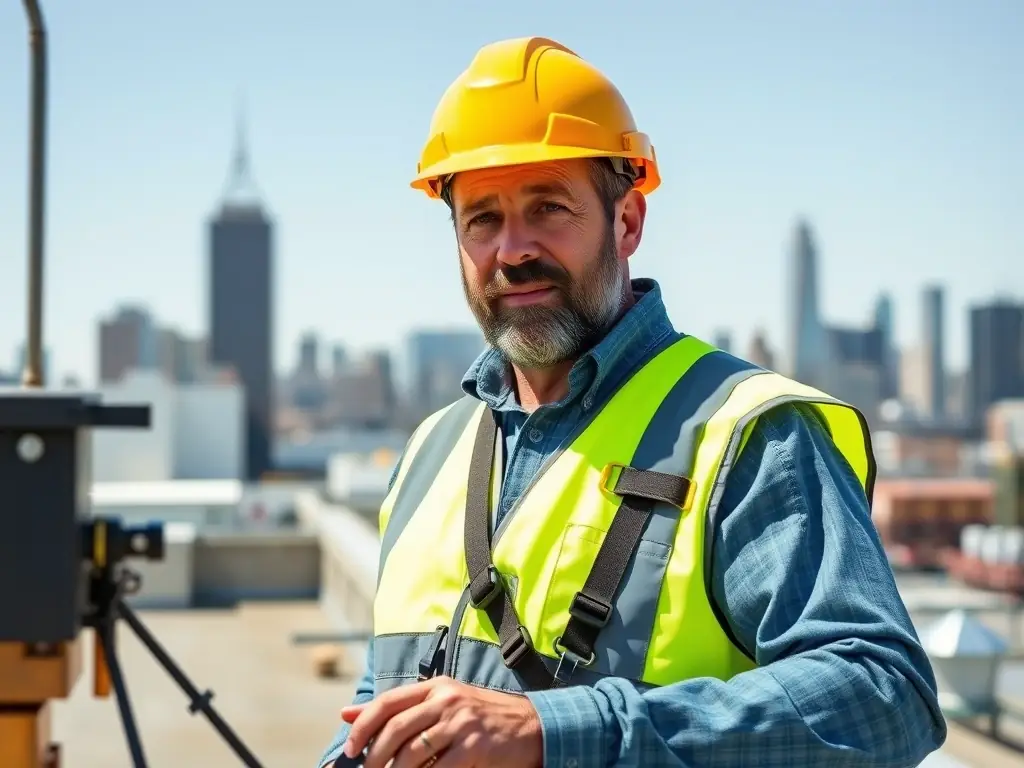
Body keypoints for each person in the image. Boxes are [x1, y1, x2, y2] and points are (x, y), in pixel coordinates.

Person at [317, 36, 946, 768]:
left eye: (548, 207)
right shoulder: (431, 451)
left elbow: (882, 698)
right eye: (481, 218)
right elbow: (382, 690)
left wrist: (555, 731)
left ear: (627, 222)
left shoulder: (747, 435)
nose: (511, 249)